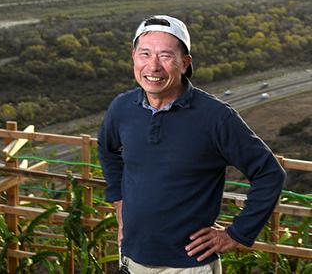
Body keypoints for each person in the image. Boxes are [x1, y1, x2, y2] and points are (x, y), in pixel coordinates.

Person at [97, 15, 286, 273]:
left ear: (185, 63)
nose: (153, 67)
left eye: (165, 56)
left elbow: (269, 173)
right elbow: (107, 151)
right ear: (133, 57)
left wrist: (236, 234)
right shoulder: (122, 108)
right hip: (133, 256)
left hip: (189, 266)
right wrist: (119, 202)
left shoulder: (215, 117)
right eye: (145, 54)